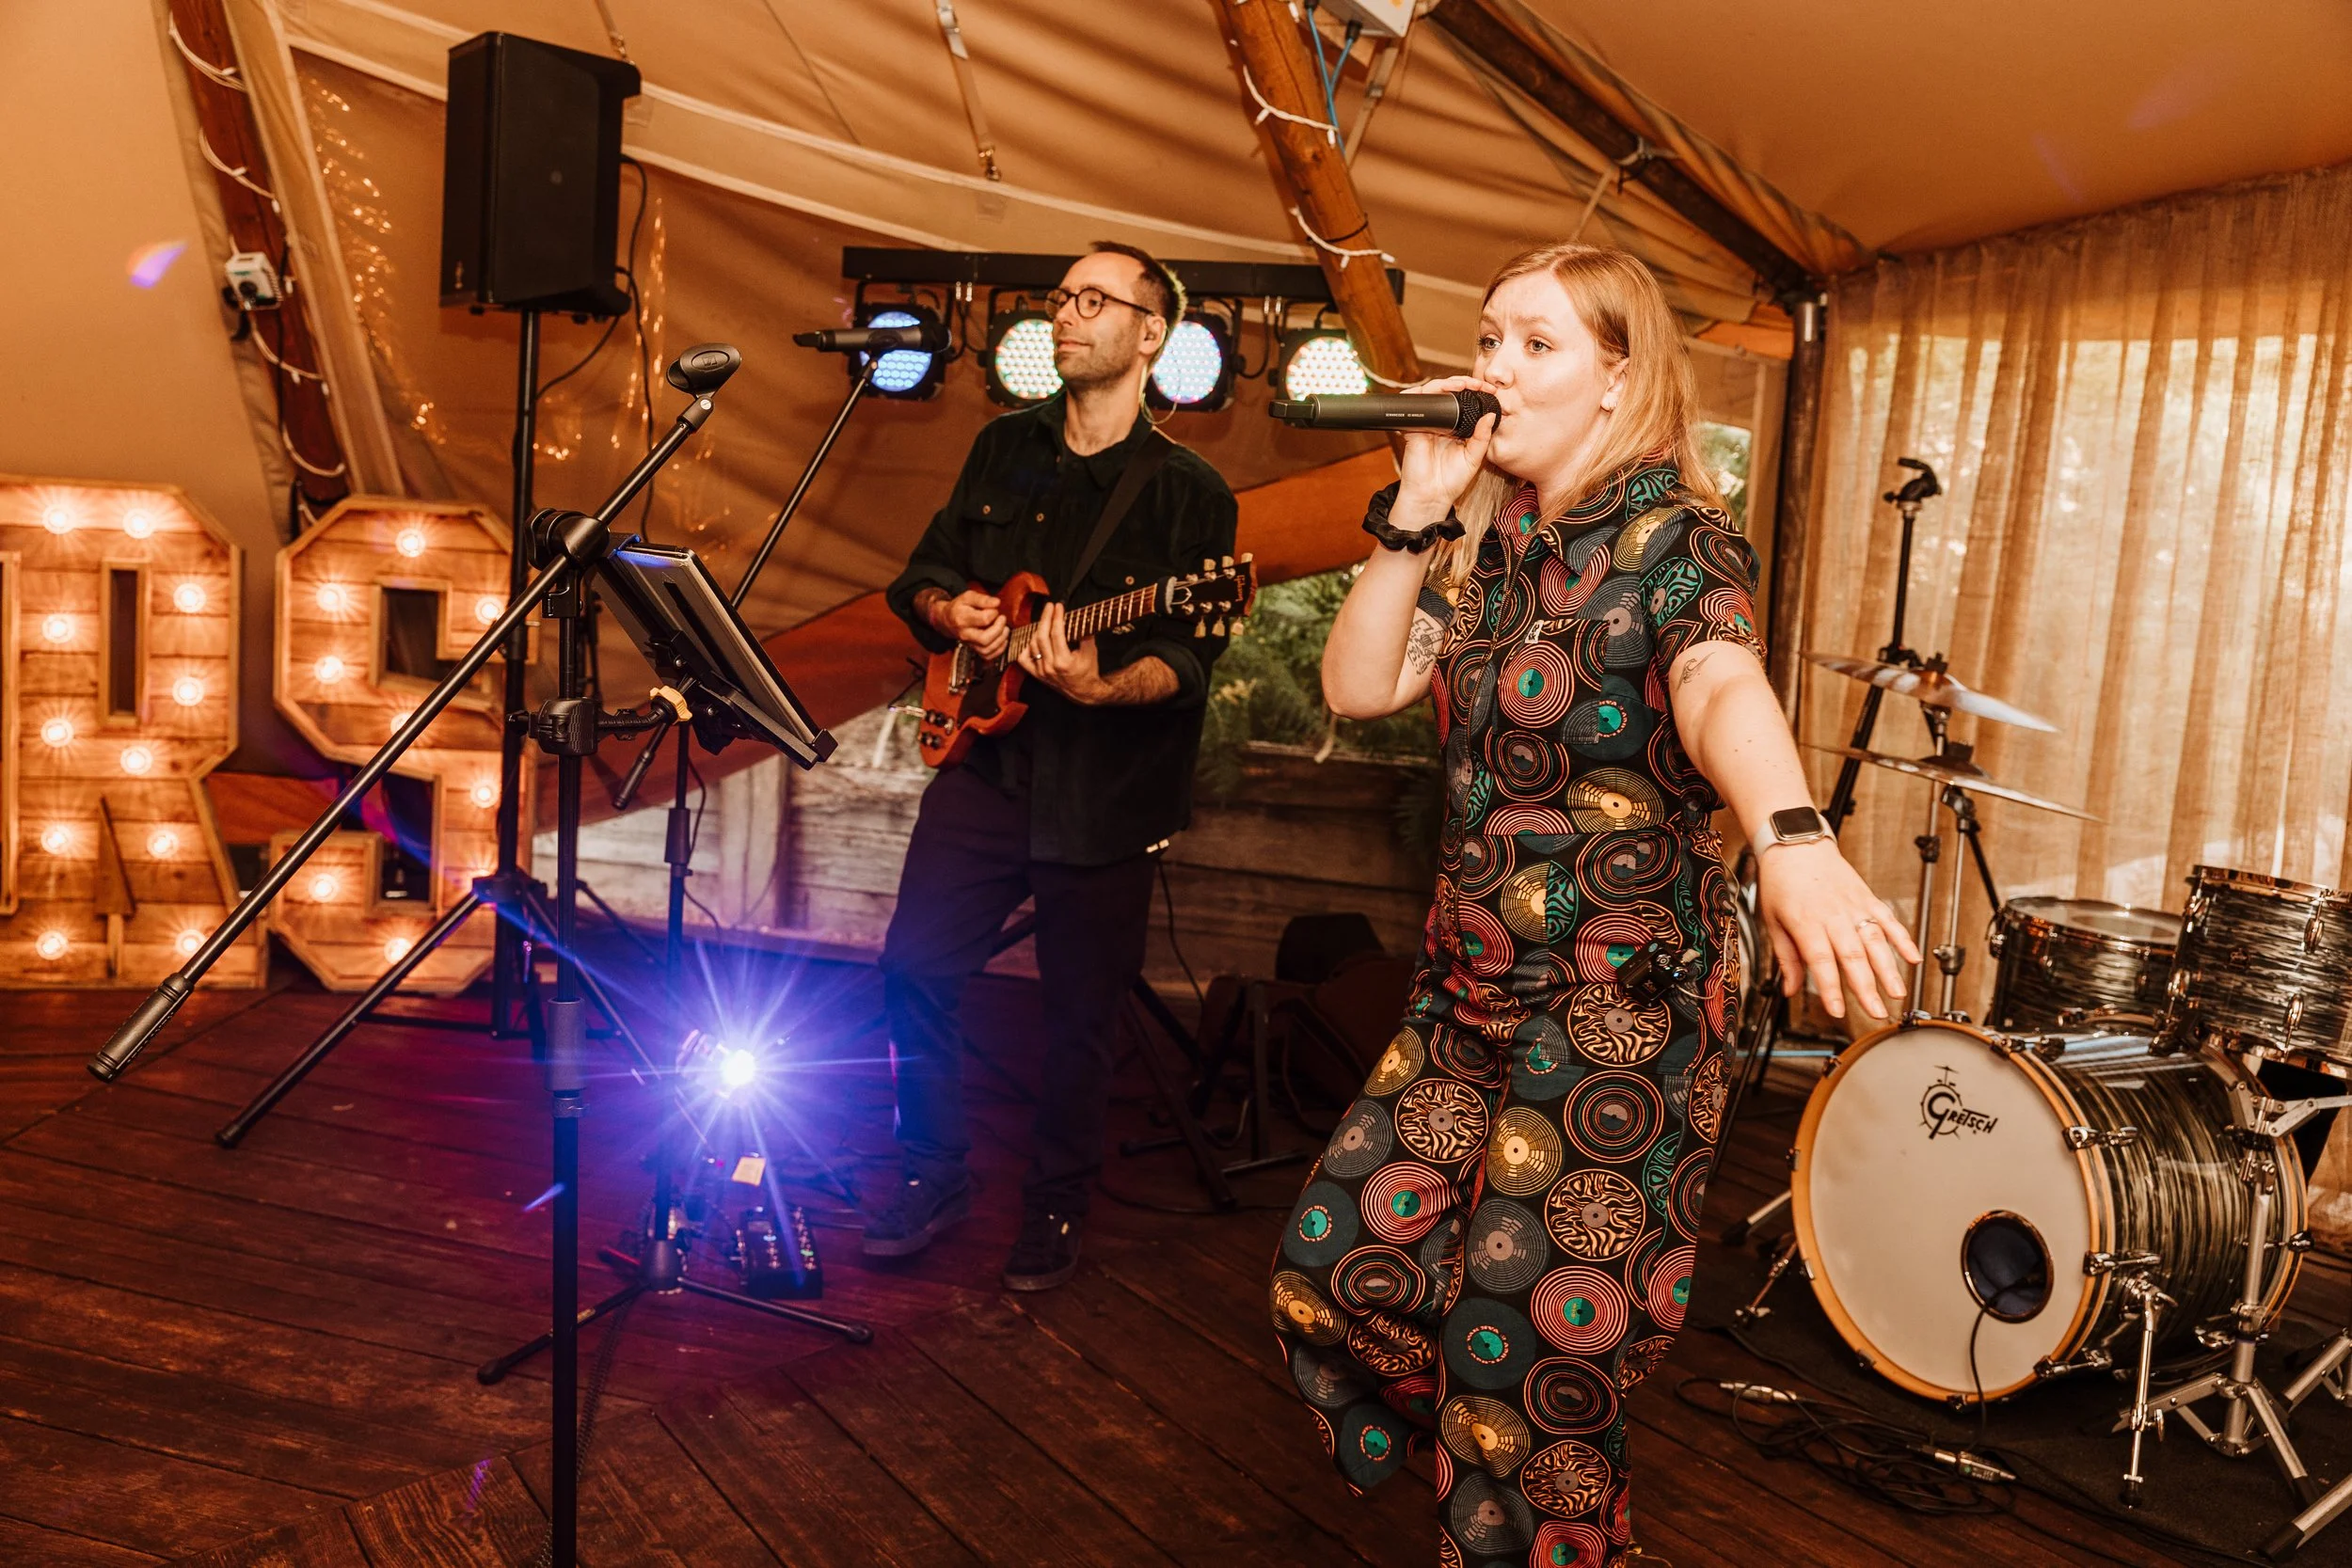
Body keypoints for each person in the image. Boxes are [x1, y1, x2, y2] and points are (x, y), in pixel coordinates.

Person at [1269, 243, 1918, 1566]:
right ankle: (1505, 1446)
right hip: (1467, 993)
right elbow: (1356, 683)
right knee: (1336, 1279)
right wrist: (1413, 510)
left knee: (1530, 1380)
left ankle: (1528, 1476)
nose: (1493, 366)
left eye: (1535, 344)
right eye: (1489, 335)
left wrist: (1791, 834)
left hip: (1621, 1008)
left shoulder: (1679, 533)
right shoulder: (1495, 541)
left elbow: (1720, 680)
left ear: (1620, 377)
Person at [869, 242, 1239, 1291]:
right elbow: (926, 572)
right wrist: (954, 608)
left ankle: (1056, 1205)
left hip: (1104, 794)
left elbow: (1186, 657)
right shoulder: (1002, 447)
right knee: (911, 971)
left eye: (1092, 299)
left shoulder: (1187, 494)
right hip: (983, 764)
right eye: (1059, 298)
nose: (1065, 314)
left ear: (1150, 332)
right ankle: (931, 1170)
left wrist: (1094, 685)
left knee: (1078, 1014)